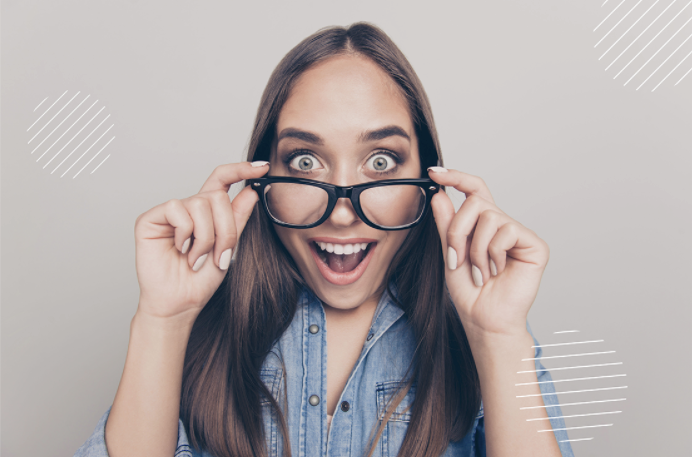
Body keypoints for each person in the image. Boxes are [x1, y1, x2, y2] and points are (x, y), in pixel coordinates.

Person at [75, 22, 575, 457]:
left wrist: (499, 339)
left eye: (381, 161)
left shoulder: (486, 338)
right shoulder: (200, 335)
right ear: (262, 174)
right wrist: (162, 319)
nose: (340, 211)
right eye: (304, 161)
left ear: (429, 179)